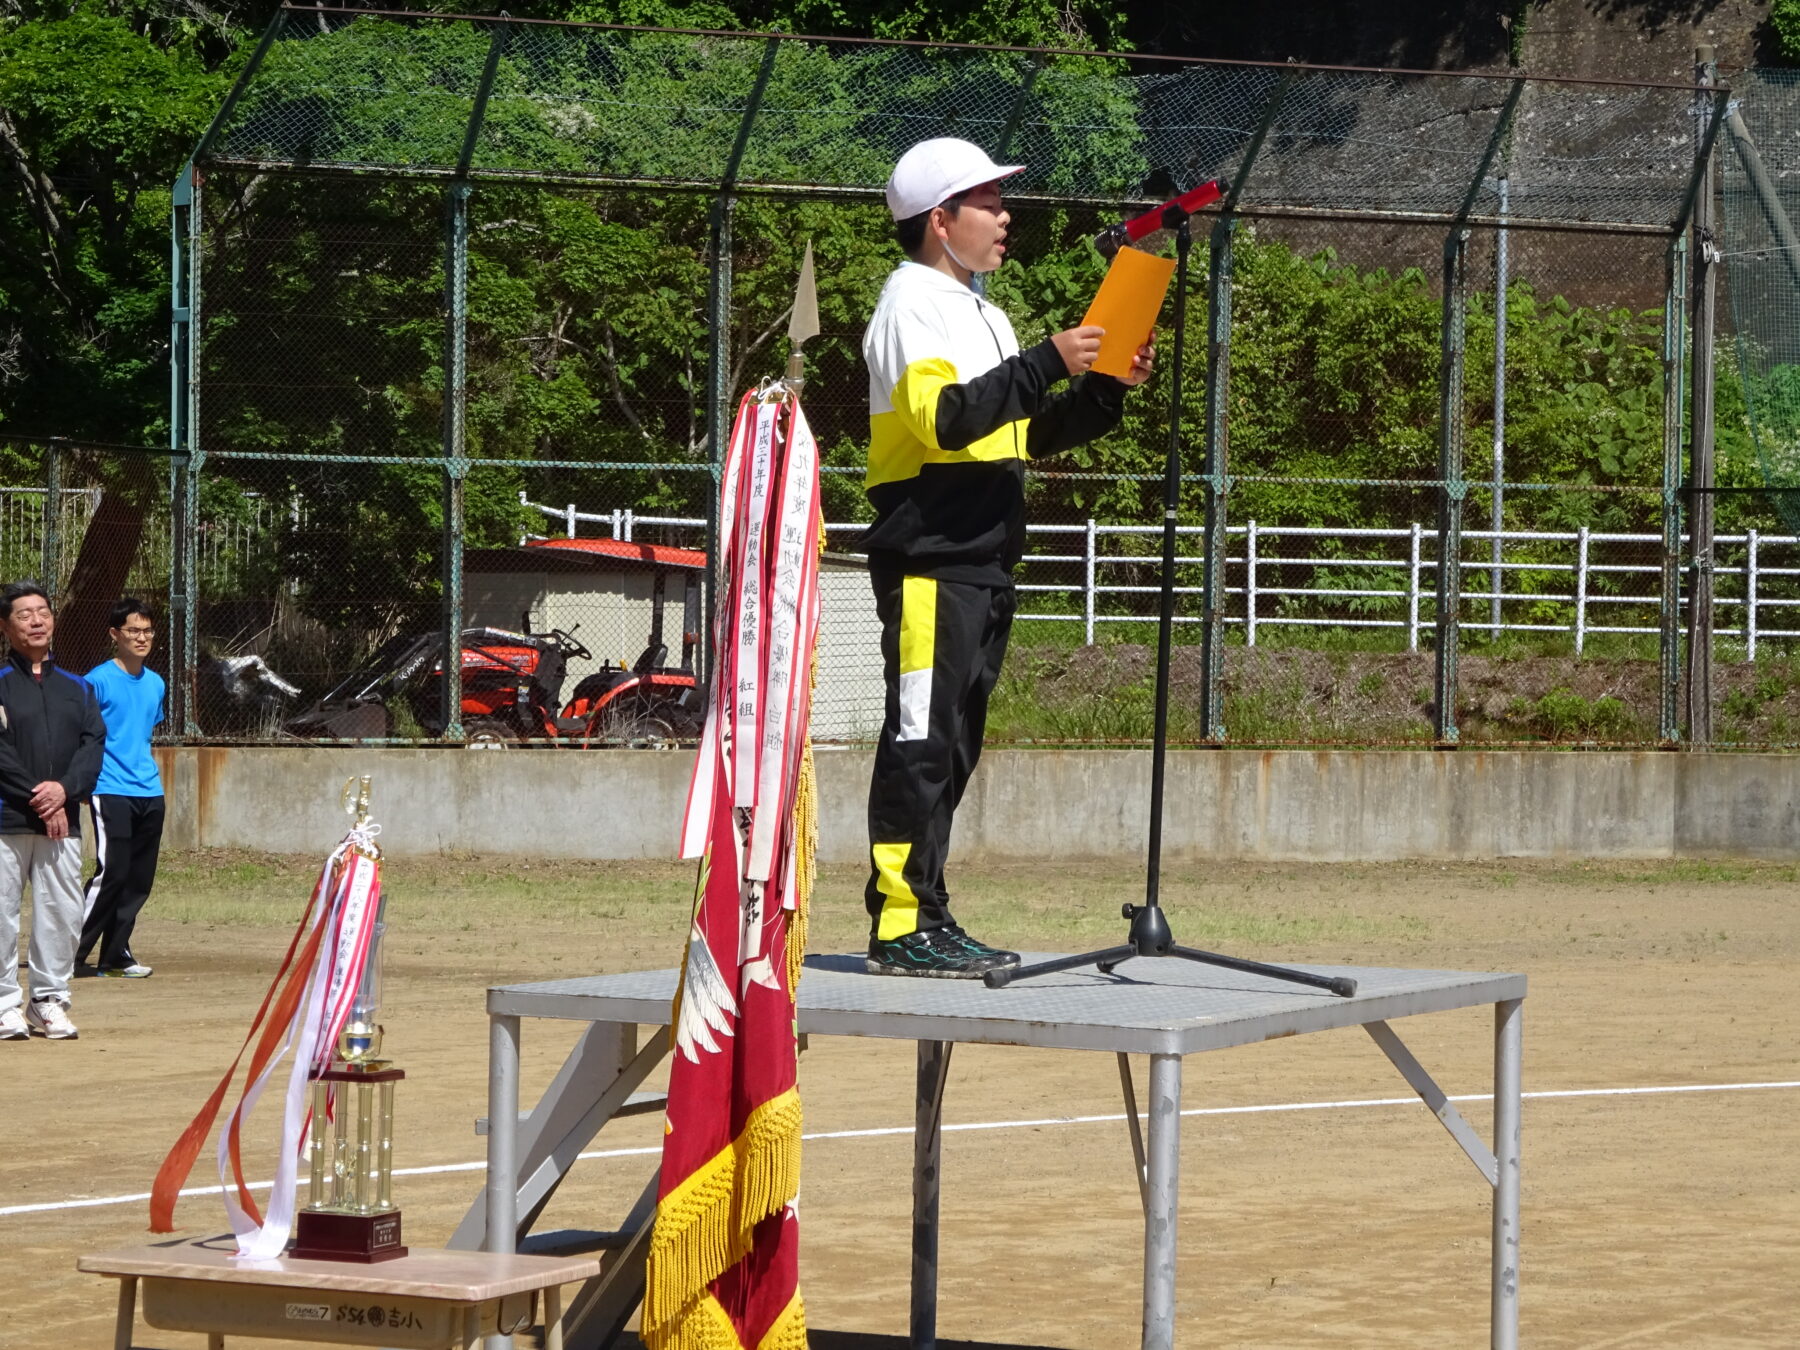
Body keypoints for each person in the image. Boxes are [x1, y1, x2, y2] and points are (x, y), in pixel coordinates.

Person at [859, 138, 1155, 978]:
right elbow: (948, 420)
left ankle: (930, 911)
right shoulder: (910, 302)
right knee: (919, 739)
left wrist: (1101, 388)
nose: (1004, 215)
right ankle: (897, 928)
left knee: (951, 748)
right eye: (987, 202)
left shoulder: (985, 313)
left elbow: (1024, 432)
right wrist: (1043, 361)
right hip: (928, 557)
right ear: (940, 221)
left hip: (983, 559)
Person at [0, 582, 105, 1039]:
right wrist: (40, 798)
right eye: (24, 614)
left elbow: (92, 747)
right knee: (2, 912)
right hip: (7, 819)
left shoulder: (78, 688)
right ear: (5, 627)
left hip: (63, 822)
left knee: (60, 912)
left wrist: (63, 790)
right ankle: (4, 1004)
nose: (37, 621)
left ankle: (49, 1002)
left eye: (43, 611)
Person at [76, 598, 166, 979]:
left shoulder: (156, 682)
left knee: (138, 876)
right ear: (115, 635)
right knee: (111, 870)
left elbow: (143, 733)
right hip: (109, 786)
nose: (141, 638)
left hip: (149, 790)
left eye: (147, 631)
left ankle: (116, 953)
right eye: (133, 631)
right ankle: (68, 952)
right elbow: (80, 733)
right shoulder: (97, 680)